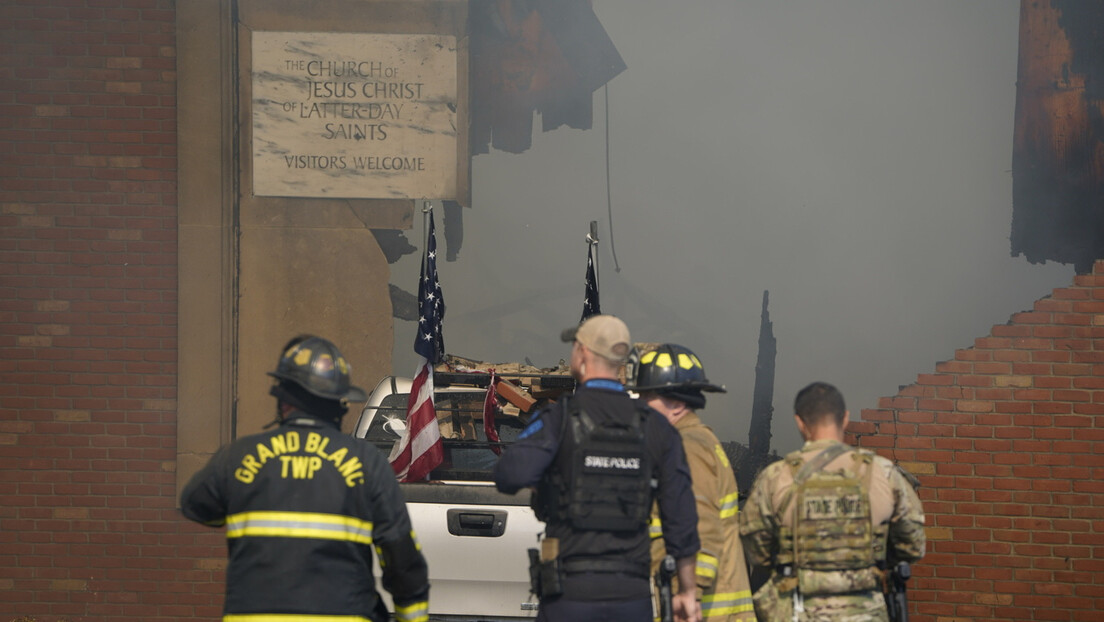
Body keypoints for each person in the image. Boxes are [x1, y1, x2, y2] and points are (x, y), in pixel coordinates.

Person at [180, 335, 430, 622]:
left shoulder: (237, 457)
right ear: (339, 405)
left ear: (284, 401)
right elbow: (402, 561)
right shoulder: (367, 463)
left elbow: (197, 506)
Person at [494, 315, 703, 622]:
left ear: (582, 353)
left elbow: (510, 475)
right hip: (631, 597)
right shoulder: (657, 427)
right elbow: (681, 518)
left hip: (569, 594)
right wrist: (687, 591)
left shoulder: (558, 419)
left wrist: (551, 480)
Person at [738, 381, 926, 621]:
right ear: (845, 418)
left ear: (799, 421)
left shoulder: (775, 478)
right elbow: (913, 546)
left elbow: (755, 549)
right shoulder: (883, 474)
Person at [633, 344, 755, 621]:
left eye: (647, 397)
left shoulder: (687, 447)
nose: (639, 407)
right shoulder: (695, 441)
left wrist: (686, 594)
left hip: (704, 612)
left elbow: (698, 527)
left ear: (676, 402)